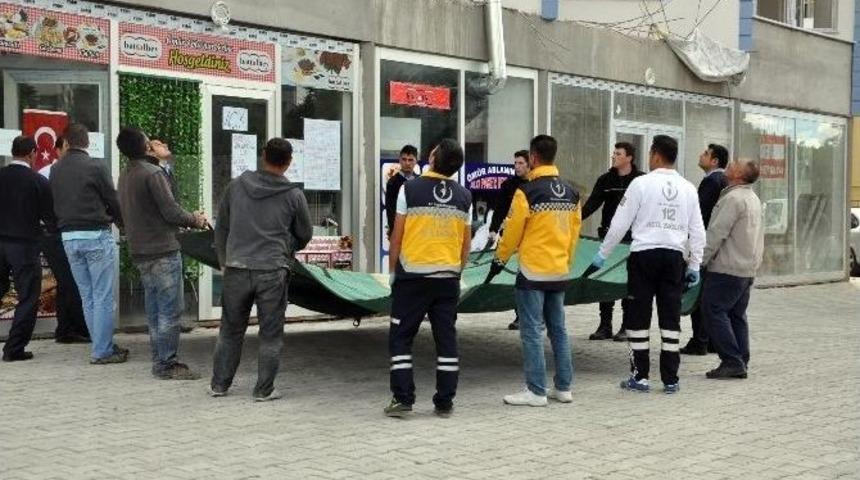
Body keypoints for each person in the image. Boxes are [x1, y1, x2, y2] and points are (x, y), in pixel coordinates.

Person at [587, 135, 705, 394]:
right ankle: (671, 378)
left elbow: (620, 222)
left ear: (655, 155)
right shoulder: (688, 188)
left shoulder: (641, 184)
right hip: (674, 258)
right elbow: (697, 230)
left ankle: (640, 376)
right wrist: (695, 264)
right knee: (670, 316)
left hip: (644, 256)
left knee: (639, 315)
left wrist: (603, 254)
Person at [211, 138, 312, 401]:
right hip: (272, 270)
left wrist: (224, 258)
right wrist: (287, 249)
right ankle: (263, 390)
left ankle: (219, 385)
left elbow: (221, 226)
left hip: (236, 267)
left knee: (230, 330)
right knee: (270, 333)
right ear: (289, 162)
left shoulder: (235, 187)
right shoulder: (294, 195)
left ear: (263, 155)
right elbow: (304, 233)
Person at [485, 134, 582, 407]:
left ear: (534, 158)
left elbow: (512, 233)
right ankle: (563, 388)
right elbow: (574, 235)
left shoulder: (526, 192)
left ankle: (536, 391)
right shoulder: (573, 192)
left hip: (532, 272)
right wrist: (566, 262)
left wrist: (499, 260)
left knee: (531, 331)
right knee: (558, 330)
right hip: (559, 270)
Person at [384, 139, 472, 418]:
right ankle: (445, 401)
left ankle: (403, 399)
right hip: (448, 277)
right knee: (446, 339)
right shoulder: (464, 196)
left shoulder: (409, 188)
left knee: (401, 337)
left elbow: (397, 234)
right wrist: (457, 272)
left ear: (433, 158)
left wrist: (393, 272)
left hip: (413, 277)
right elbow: (465, 243)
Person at [117, 127, 208, 380]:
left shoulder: (126, 174)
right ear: (145, 147)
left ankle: (160, 358)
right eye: (151, 141)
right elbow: (171, 212)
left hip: (141, 250)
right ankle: (166, 364)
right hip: (162, 249)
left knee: (155, 309)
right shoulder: (152, 173)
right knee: (169, 309)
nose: (157, 143)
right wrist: (196, 220)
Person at [50, 123, 127, 365]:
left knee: (88, 296)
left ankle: (100, 345)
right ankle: (102, 351)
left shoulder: (55, 168)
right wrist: (123, 224)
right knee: (103, 296)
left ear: (67, 142)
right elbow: (112, 200)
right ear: (87, 142)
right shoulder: (95, 166)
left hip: (68, 238)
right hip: (95, 235)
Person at [701, 160, 763, 379]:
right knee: (736, 314)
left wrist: (701, 259)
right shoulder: (751, 197)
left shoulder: (733, 199)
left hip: (727, 268)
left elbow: (716, 233)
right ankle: (741, 359)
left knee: (713, 311)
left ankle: (731, 360)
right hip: (746, 268)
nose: (730, 163)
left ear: (738, 174)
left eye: (734, 163)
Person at [0, 136, 56, 361]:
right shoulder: (37, 181)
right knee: (28, 297)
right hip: (24, 246)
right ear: (33, 153)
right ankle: (14, 349)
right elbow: (50, 219)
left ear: (13, 152)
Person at [581, 142, 645, 342]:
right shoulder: (605, 180)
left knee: (628, 283)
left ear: (629, 157)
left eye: (618, 154)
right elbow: (591, 205)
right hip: (608, 239)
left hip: (632, 241)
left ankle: (627, 326)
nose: (613, 156)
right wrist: (573, 222)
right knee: (605, 280)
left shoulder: (641, 180)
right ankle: (605, 325)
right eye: (614, 153)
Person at [36, 135, 90, 343]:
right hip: (56, 233)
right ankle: (72, 329)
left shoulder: (48, 173)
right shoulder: (48, 172)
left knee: (67, 283)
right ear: (59, 149)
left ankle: (66, 328)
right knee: (70, 282)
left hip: (57, 233)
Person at [680, 144, 729, 356]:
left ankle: (699, 340)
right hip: (715, 246)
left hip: (704, 245)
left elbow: (700, 214)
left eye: (705, 154)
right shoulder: (721, 181)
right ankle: (708, 340)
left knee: (697, 293)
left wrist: (692, 244)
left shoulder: (711, 182)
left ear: (715, 161)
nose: (701, 155)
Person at [488, 150, 530, 331]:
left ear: (530, 165)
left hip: (530, 238)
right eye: (516, 163)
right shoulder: (509, 185)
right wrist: (493, 229)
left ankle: (531, 315)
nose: (517, 167)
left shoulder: (535, 184)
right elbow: (500, 208)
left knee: (528, 276)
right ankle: (520, 314)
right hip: (512, 236)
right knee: (518, 277)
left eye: (521, 163)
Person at [384, 145, 418, 239]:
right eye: (404, 159)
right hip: (399, 231)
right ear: (399, 160)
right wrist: (393, 233)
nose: (407, 163)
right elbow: (390, 211)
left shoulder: (420, 181)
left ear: (416, 161)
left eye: (410, 160)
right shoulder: (392, 182)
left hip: (417, 231)